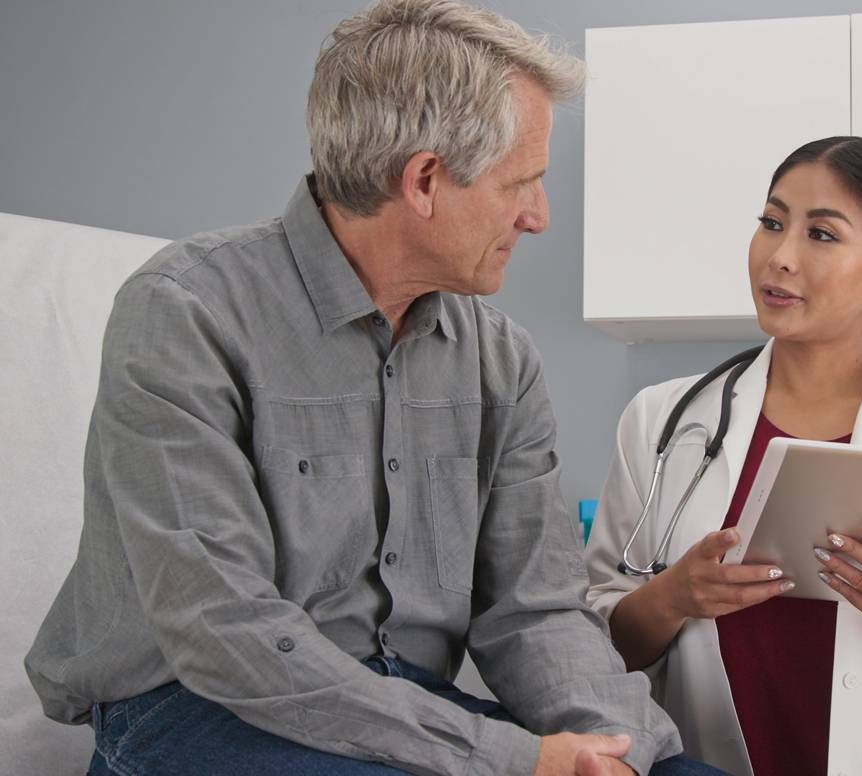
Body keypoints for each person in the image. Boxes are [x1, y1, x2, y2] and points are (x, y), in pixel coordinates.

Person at [24, 2, 721, 774]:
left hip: (398, 704)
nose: (538, 217)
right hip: (195, 707)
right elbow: (223, 628)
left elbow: (536, 610)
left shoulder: (500, 360)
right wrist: (511, 759)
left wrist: (618, 751)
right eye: (522, 183)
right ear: (423, 180)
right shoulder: (185, 311)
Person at [584, 137, 862, 776]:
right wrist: (673, 596)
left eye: (821, 235)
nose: (781, 256)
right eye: (772, 223)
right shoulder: (663, 421)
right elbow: (593, 642)